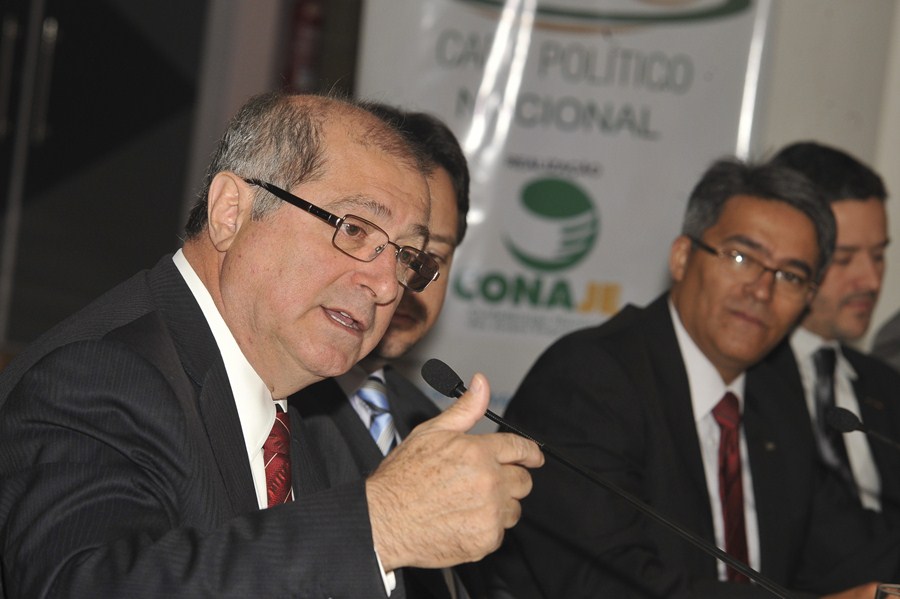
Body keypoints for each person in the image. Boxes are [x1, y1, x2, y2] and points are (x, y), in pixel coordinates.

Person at [0, 91, 544, 598]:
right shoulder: (99, 376)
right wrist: (381, 524)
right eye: (355, 229)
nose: (386, 286)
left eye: (407, 258)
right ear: (231, 212)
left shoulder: (300, 407)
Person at [490, 158, 898, 598]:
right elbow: (605, 585)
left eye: (790, 276)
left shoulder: (775, 394)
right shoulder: (588, 380)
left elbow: (845, 553)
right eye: (741, 258)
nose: (762, 290)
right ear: (682, 257)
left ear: (808, 298)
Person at [296, 104, 482, 597]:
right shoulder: (276, 406)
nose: (400, 283)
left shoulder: (423, 416)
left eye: (428, 258)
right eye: (374, 242)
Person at [766, 141, 900, 525]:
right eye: (844, 258)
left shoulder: (887, 386)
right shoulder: (745, 382)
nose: (871, 280)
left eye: (879, 255)